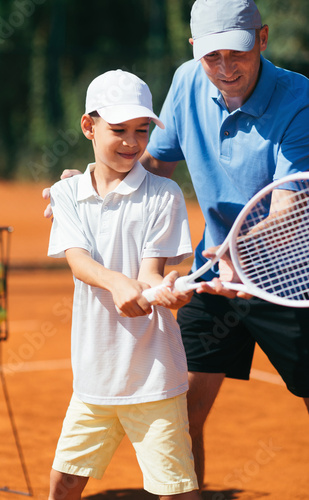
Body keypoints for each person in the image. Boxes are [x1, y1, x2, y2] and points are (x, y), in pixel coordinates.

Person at [43, 0, 309, 493]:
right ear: (194, 50)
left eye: (238, 52)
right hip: (214, 273)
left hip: (285, 278)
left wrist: (239, 253)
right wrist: (94, 181)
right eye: (212, 57)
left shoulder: (300, 100)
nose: (225, 68)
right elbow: (153, 166)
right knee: (182, 413)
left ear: (263, 39)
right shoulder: (188, 80)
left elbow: (288, 209)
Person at [46, 69, 201, 500]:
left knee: (176, 491)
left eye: (142, 130)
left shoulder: (165, 193)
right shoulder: (65, 194)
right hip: (93, 379)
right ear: (88, 126)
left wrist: (166, 289)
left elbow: (152, 273)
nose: (132, 142)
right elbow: (78, 262)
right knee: (64, 482)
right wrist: (117, 283)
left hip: (154, 379)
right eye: (118, 130)